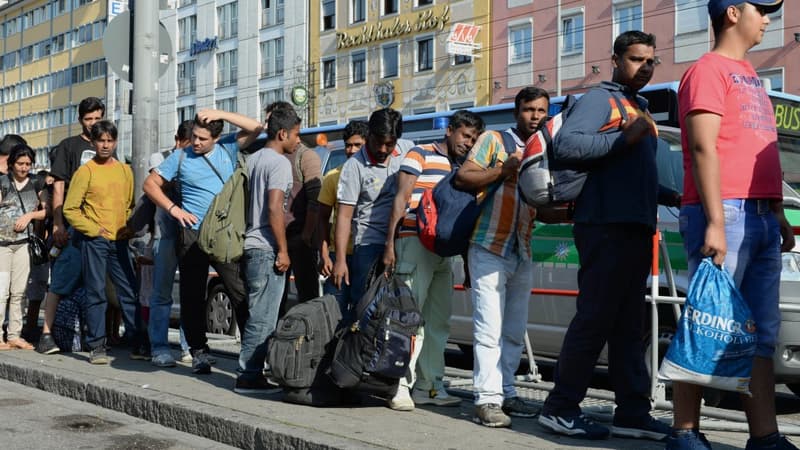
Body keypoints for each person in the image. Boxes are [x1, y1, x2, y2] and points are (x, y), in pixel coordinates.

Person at [537, 30, 678, 441]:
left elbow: (632, 175)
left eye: (651, 61)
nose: (645, 67)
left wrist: (672, 194)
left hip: (635, 225)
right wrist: (623, 136)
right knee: (595, 318)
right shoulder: (601, 99)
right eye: (636, 59)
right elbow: (567, 146)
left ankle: (632, 412)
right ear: (616, 59)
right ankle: (560, 407)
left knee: (629, 326)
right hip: (604, 226)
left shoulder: (641, 106)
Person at [668, 2, 797, 449]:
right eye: (761, 9)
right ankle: (684, 432)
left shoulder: (752, 77)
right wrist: (716, 223)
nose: (768, 18)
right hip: (724, 211)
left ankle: (764, 436)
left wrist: (777, 210)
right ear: (732, 13)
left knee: (759, 331)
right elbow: (704, 147)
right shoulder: (707, 70)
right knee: (708, 321)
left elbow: (759, 145)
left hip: (759, 213)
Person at [454, 87, 547, 428]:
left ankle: (507, 392)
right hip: (488, 245)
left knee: (513, 330)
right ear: (516, 112)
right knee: (488, 329)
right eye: (528, 110)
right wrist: (504, 170)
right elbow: (464, 177)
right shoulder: (494, 140)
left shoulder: (542, 147)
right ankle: (487, 399)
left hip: (522, 248)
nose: (535, 116)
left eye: (540, 110)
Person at [143, 109, 262, 375]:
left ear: (217, 138)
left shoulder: (229, 148)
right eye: (195, 137)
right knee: (192, 296)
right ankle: (199, 352)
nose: (196, 143)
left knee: (239, 291)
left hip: (224, 234)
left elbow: (256, 127)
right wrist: (174, 210)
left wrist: (219, 112)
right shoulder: (181, 157)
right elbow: (150, 184)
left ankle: (251, 352)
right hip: (193, 234)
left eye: (203, 139)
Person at [382, 110, 484, 411]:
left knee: (438, 321)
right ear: (449, 131)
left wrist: (464, 262)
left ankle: (430, 386)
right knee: (407, 317)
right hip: (413, 241)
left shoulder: (465, 167)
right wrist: (389, 244)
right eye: (465, 136)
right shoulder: (420, 154)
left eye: (474, 139)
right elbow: (401, 199)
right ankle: (398, 384)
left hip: (444, 250)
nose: (468, 143)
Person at [62, 120, 146, 364]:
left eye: (110, 141)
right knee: (95, 292)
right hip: (95, 241)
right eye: (101, 141)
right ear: (94, 142)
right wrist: (93, 229)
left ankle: (138, 340)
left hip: (119, 240)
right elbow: (70, 209)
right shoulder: (85, 172)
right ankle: (97, 344)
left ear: (116, 142)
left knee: (129, 290)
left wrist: (128, 228)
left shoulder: (124, 170)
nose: (106, 145)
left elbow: (129, 204)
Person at [235, 105, 300, 393]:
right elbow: (275, 208)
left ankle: (251, 371)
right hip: (266, 246)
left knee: (255, 311)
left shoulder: (252, 159)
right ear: (283, 133)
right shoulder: (280, 164)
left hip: (248, 243)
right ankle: (249, 375)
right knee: (263, 316)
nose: (298, 141)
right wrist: (283, 250)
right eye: (296, 134)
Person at [37, 97, 106, 355]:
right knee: (61, 281)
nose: (93, 124)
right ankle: (46, 334)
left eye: (97, 118)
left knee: (93, 285)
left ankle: (93, 337)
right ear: (81, 121)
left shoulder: (107, 147)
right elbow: (58, 186)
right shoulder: (69, 146)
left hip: (99, 228)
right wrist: (57, 224)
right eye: (88, 119)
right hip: (72, 227)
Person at [333, 108, 406, 312]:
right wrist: (340, 260)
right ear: (369, 137)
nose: (383, 149)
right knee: (365, 309)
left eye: (389, 144)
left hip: (403, 243)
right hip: (369, 245)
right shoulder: (354, 167)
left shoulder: (408, 151)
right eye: (378, 143)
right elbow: (344, 216)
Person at [147, 120, 193, 368]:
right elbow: (161, 183)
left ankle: (189, 347)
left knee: (190, 294)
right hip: (165, 235)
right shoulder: (161, 158)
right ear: (178, 142)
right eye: (188, 145)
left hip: (190, 235)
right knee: (162, 294)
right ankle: (159, 347)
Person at [317, 120, 368, 317]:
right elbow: (321, 218)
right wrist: (324, 255)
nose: (351, 150)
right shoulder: (332, 177)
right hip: (338, 256)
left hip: (366, 254)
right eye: (348, 145)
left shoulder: (376, 174)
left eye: (358, 145)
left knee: (362, 316)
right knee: (333, 314)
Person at [0, 144, 46, 350]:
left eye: (28, 164)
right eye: (20, 163)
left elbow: (47, 210)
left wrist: (30, 215)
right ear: (11, 164)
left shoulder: (36, 183)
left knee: (19, 291)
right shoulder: (2, 182)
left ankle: (14, 335)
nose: (24, 167)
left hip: (23, 245)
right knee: (1, 291)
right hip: (2, 244)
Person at [281, 105, 322, 314]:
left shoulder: (306, 156)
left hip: (299, 239)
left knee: (307, 299)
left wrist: (306, 235)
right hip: (275, 240)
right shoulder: (270, 155)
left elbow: (316, 200)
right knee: (276, 301)